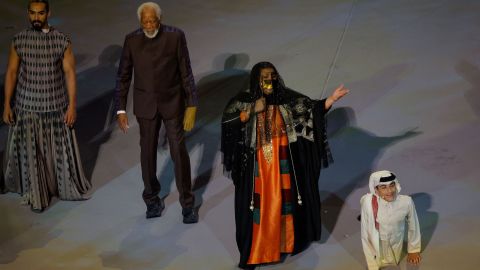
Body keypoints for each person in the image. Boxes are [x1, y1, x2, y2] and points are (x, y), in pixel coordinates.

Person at [221, 61, 348, 269]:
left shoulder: (287, 101)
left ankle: (283, 243)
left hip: (283, 167)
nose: (268, 80)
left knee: (284, 205)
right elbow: (228, 123)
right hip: (258, 170)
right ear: (256, 80)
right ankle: (260, 248)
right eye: (263, 76)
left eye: (271, 75)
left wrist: (330, 100)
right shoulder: (243, 100)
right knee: (260, 209)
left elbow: (310, 110)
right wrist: (252, 110)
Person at [2, 0, 91, 212]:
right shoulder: (19, 40)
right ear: (27, 14)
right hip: (27, 106)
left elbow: (70, 74)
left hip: (55, 105)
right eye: (32, 13)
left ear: (48, 13)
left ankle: (54, 186)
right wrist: (7, 103)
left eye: (40, 13)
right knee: (32, 155)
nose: (36, 17)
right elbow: (12, 72)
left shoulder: (61, 40)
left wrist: (72, 106)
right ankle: (36, 193)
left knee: (54, 155)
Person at [115, 2, 198, 223]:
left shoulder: (175, 36)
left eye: (152, 21)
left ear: (159, 20)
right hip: (145, 104)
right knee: (147, 153)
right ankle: (152, 200)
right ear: (140, 21)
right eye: (145, 22)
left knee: (178, 150)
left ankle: (187, 204)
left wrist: (192, 104)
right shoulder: (132, 40)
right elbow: (123, 76)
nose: (149, 25)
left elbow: (185, 71)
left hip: (173, 102)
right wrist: (121, 109)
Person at [360, 170, 421, 270]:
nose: (389, 191)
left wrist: (413, 250)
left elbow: (414, 226)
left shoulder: (406, 202)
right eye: (383, 187)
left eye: (392, 185)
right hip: (378, 243)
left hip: (396, 241)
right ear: (376, 190)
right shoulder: (368, 204)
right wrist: (372, 265)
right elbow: (366, 236)